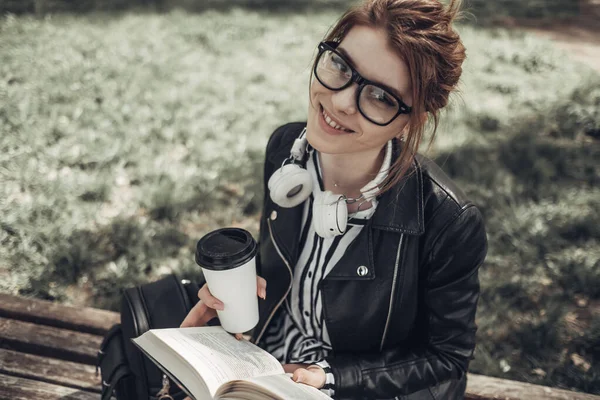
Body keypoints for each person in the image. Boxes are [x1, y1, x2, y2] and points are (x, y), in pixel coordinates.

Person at [181, 0, 487, 398]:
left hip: (363, 383)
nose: (341, 102)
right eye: (342, 67)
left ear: (411, 120)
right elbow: (281, 270)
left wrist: (327, 377)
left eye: (380, 97)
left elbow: (446, 357)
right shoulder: (283, 149)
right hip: (270, 357)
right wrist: (235, 301)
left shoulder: (448, 219)